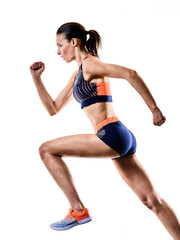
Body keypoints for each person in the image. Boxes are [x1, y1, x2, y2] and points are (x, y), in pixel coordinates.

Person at [29, 22, 180, 238]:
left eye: (60, 45)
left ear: (74, 42)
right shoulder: (78, 74)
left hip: (109, 134)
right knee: (152, 201)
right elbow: (53, 109)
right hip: (120, 136)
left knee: (46, 149)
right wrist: (37, 79)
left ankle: (78, 211)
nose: (58, 51)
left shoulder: (90, 65)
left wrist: (154, 110)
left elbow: (131, 73)